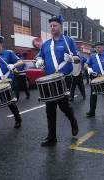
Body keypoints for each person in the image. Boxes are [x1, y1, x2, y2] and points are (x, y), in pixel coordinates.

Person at [35, 15, 79, 146]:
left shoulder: (68, 41)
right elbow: (39, 56)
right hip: (49, 80)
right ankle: (52, 137)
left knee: (64, 106)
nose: (52, 28)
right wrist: (39, 61)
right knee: (50, 109)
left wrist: (72, 59)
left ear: (60, 26)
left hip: (63, 78)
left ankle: (73, 120)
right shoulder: (46, 44)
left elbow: (78, 58)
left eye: (55, 25)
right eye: (51, 26)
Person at [85, 42, 104, 117]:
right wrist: (88, 68)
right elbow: (86, 64)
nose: (97, 49)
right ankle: (92, 111)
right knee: (93, 95)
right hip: (94, 77)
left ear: (103, 48)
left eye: (99, 47)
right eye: (96, 47)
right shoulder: (92, 56)